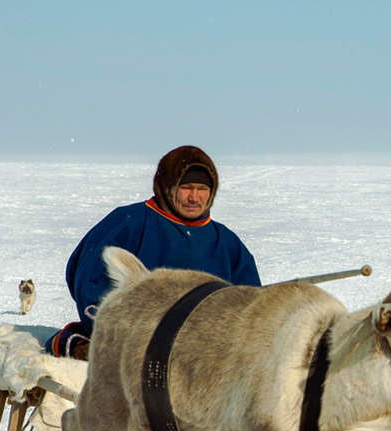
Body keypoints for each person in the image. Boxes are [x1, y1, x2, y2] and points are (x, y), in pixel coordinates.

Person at [45, 145, 261, 359]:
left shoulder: (226, 242)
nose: (194, 198)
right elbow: (88, 277)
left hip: (204, 345)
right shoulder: (131, 222)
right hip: (135, 335)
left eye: (202, 189)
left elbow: (252, 303)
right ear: (167, 185)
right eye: (186, 187)